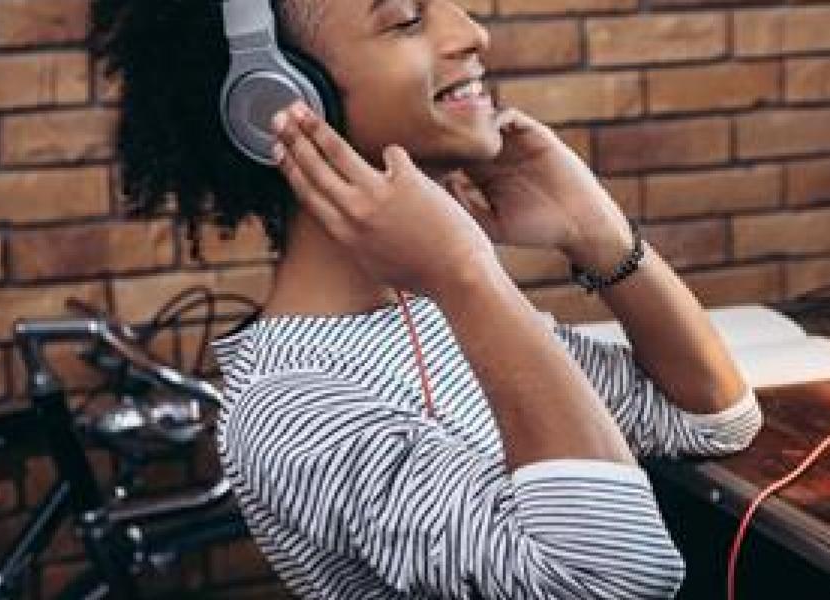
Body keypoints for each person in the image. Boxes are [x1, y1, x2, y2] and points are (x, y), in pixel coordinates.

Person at [87, 0, 762, 597]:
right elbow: (613, 578)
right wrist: (468, 275)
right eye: (407, 19)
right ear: (277, 98)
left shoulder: (439, 319)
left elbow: (710, 416)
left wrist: (600, 235)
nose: (472, 34)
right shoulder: (291, 405)